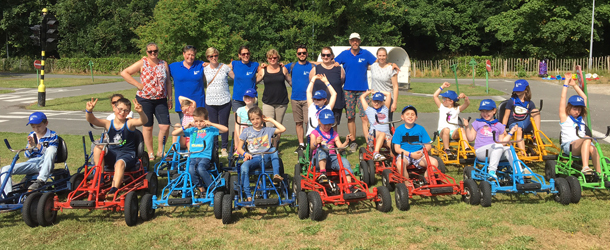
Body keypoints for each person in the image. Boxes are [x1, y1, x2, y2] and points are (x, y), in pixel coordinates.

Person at [85, 97, 148, 195]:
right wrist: (89, 111)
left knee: (119, 164)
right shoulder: (108, 124)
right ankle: (100, 178)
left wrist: (141, 112)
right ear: (114, 108)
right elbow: (92, 120)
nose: (122, 112)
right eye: (120, 109)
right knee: (97, 147)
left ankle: (114, 190)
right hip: (113, 153)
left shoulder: (129, 123)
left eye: (125, 110)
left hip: (127, 154)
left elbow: (143, 121)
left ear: (128, 112)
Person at [121, 42, 171, 161]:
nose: (153, 53)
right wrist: (138, 84)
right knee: (147, 127)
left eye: (155, 51)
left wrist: (170, 98)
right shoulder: (142, 63)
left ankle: (161, 151)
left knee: (165, 126)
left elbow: (168, 81)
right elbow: (124, 73)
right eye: (150, 51)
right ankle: (150, 153)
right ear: (146, 52)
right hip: (145, 99)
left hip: (161, 99)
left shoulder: (163, 64)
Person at [334, 33, 377, 152]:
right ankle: (353, 141)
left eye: (357, 40)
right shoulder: (344, 54)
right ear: (349, 42)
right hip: (348, 91)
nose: (355, 42)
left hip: (363, 91)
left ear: (359, 41)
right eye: (353, 40)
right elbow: (332, 63)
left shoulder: (366, 53)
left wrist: (391, 64)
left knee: (365, 117)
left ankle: (369, 141)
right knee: (350, 117)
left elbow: (378, 63)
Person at [171, 107, 228, 195]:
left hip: (205, 156)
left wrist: (211, 123)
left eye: (201, 121)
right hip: (193, 156)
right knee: (190, 170)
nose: (198, 123)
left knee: (200, 169)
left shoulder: (210, 130)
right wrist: (186, 126)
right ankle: (201, 188)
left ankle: (212, 187)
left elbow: (225, 129)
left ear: (206, 120)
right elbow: (174, 133)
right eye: (196, 121)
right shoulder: (192, 130)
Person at [1, 112, 58, 194]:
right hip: (33, 163)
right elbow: (27, 155)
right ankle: (8, 195)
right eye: (33, 127)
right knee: (5, 169)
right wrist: (30, 147)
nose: (36, 129)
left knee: (51, 149)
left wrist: (37, 145)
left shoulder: (52, 135)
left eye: (38, 126)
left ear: (46, 123)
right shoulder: (32, 135)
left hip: (45, 163)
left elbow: (51, 154)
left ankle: (41, 180)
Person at [236, 107, 286, 201]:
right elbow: (239, 148)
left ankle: (276, 175)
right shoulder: (246, 131)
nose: (255, 121)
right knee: (243, 167)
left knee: (274, 149)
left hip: (266, 157)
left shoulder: (268, 130)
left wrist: (271, 119)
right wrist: (245, 154)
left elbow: (283, 129)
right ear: (250, 120)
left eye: (258, 118)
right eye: (253, 119)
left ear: (262, 118)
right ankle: (248, 195)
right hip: (253, 157)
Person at [466, 99, 521, 179]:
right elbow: (470, 138)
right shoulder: (477, 123)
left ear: (494, 111)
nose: (485, 114)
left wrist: (511, 132)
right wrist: (467, 127)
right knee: (497, 146)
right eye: (483, 111)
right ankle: (491, 171)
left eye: (488, 111)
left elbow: (502, 143)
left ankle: (518, 171)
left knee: (509, 148)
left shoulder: (499, 125)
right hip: (481, 152)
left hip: (496, 150)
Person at [559, 73, 600, 173]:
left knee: (593, 148)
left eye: (579, 109)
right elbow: (563, 98)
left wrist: (574, 85)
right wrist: (566, 83)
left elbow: (584, 98)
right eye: (575, 109)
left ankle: (600, 174)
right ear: (569, 108)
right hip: (569, 146)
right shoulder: (565, 117)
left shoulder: (580, 118)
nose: (577, 111)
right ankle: (585, 167)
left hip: (583, 143)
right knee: (587, 138)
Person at [310, 109, 356, 190]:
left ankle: (349, 184)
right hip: (318, 160)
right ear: (319, 121)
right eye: (325, 124)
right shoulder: (315, 133)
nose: (327, 126)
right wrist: (316, 142)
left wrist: (346, 142)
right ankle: (322, 174)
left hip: (332, 158)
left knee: (344, 161)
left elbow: (340, 147)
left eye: (329, 124)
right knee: (323, 148)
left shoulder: (334, 134)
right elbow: (312, 147)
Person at [392, 105, 438, 181]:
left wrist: (421, 152)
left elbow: (428, 146)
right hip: (405, 154)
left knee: (434, 162)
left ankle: (426, 180)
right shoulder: (399, 130)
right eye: (407, 114)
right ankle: (406, 183)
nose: (410, 116)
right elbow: (397, 148)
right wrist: (411, 154)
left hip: (419, 154)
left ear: (416, 117)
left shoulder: (420, 129)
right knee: (400, 164)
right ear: (402, 117)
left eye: (412, 114)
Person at [256, 49, 291, 147]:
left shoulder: (283, 69)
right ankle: (269, 146)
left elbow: (291, 82)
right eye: (270, 58)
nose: (272, 59)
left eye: (274, 57)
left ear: (278, 58)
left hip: (281, 102)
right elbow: (254, 82)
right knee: (269, 125)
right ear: (267, 59)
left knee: (278, 125)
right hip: (268, 102)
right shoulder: (263, 70)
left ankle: (275, 146)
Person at [203, 47, 232, 157]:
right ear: (208, 57)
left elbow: (236, 77)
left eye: (215, 55)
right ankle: (215, 147)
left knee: (223, 124)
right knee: (212, 125)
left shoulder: (224, 67)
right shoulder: (205, 69)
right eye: (211, 56)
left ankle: (224, 147)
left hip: (224, 100)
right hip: (210, 101)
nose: (214, 58)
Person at [286, 45, 314, 153]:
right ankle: (301, 144)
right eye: (299, 53)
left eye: (304, 53)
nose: (302, 55)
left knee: (308, 122)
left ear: (307, 54)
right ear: (296, 54)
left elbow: (322, 64)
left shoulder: (311, 66)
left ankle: (309, 143)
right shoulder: (292, 66)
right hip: (295, 99)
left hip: (308, 99)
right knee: (298, 122)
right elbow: (279, 68)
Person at [310, 47, 345, 133]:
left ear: (332, 56)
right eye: (323, 55)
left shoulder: (339, 69)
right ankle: (319, 143)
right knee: (319, 125)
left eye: (328, 55)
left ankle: (332, 142)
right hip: (319, 103)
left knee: (333, 125)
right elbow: (311, 83)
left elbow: (342, 81)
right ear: (321, 56)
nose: (326, 57)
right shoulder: (316, 69)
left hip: (335, 102)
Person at [501, 79, 540, 155]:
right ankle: (523, 152)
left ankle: (536, 136)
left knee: (536, 111)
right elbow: (506, 116)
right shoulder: (511, 101)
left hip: (526, 124)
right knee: (518, 129)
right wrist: (503, 128)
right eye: (516, 90)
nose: (518, 91)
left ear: (526, 90)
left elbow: (533, 116)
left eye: (520, 89)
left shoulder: (529, 103)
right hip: (514, 123)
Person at [169, 45, 206, 122]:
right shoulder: (174, 66)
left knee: (200, 129)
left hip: (198, 103)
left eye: (192, 55)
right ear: (183, 54)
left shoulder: (200, 65)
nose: (190, 57)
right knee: (187, 130)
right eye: (188, 54)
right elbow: (160, 67)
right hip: (183, 105)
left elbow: (213, 65)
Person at [433, 82, 470, 154]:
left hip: (453, 132)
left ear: (451, 101)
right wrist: (442, 86)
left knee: (461, 129)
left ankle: (466, 148)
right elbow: (435, 96)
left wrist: (465, 97)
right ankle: (447, 149)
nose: (442, 100)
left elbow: (467, 103)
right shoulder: (442, 107)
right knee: (446, 130)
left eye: (444, 99)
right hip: (443, 131)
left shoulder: (457, 109)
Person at [360, 90, 392, 161]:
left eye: (379, 102)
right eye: (375, 101)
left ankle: (396, 160)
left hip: (386, 136)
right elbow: (362, 97)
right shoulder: (369, 110)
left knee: (393, 144)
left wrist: (377, 92)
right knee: (382, 134)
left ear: (382, 102)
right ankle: (376, 153)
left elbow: (388, 94)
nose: (376, 103)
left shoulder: (385, 109)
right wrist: (368, 93)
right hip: (374, 135)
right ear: (372, 101)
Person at [369, 47, 399, 120]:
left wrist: (394, 103)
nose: (381, 57)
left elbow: (395, 87)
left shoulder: (391, 69)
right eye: (380, 55)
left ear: (386, 56)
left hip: (386, 99)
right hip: (375, 99)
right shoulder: (373, 66)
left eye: (383, 56)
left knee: (386, 121)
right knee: (375, 122)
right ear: (377, 56)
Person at [230, 46, 259, 112]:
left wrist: (255, 82)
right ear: (239, 55)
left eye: (247, 53)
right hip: (238, 99)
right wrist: (209, 63)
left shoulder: (255, 65)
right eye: (243, 54)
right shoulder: (234, 64)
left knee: (253, 120)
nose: (246, 55)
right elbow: (222, 67)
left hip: (251, 98)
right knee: (238, 121)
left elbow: (263, 72)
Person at [233, 88, 257, 154]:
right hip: (243, 130)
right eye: (246, 97)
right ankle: (239, 148)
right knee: (243, 125)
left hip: (253, 130)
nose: (248, 99)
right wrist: (238, 136)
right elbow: (237, 124)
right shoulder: (240, 110)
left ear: (254, 99)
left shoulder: (256, 110)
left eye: (250, 97)